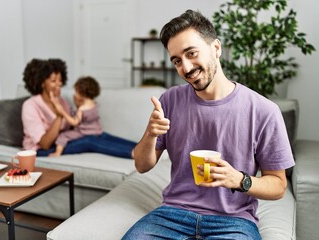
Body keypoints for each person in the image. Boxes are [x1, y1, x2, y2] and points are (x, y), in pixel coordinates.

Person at [122, 10, 295, 239]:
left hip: (233, 222)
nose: (186, 67)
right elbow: (143, 166)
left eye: (191, 53)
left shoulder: (264, 111)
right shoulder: (169, 101)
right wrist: (150, 134)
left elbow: (278, 186)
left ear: (216, 48)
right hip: (172, 214)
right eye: (177, 61)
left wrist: (240, 180)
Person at [22, 58, 135, 158]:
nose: (59, 84)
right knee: (89, 141)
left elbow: (73, 124)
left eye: (60, 80)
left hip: (63, 142)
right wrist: (59, 114)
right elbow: (45, 144)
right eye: (53, 81)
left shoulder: (61, 101)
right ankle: (135, 154)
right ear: (42, 83)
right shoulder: (30, 106)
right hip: (42, 150)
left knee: (101, 135)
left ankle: (147, 148)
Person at [48, 76, 136, 158]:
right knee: (114, 140)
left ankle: (57, 153)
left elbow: (75, 122)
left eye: (76, 92)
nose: (74, 94)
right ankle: (138, 147)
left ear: (81, 93)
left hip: (84, 132)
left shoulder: (82, 108)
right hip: (96, 131)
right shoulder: (93, 103)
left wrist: (62, 111)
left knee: (63, 136)